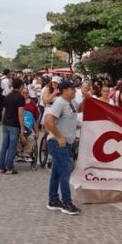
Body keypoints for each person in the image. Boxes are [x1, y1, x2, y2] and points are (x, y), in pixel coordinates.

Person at [44, 80, 87, 216]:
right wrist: (59, 137)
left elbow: (71, 119)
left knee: (56, 173)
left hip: (66, 143)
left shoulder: (71, 103)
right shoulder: (60, 103)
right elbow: (48, 121)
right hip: (58, 143)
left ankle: (53, 201)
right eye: (72, 89)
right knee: (65, 172)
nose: (74, 91)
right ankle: (67, 203)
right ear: (64, 90)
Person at [0, 78, 26, 175]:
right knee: (12, 147)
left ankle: (1, 167)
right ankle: (9, 168)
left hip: (6, 123)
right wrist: (22, 128)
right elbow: (20, 114)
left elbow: (4, 111)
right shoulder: (20, 98)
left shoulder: (7, 96)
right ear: (21, 86)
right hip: (14, 124)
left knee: (4, 146)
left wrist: (3, 121)